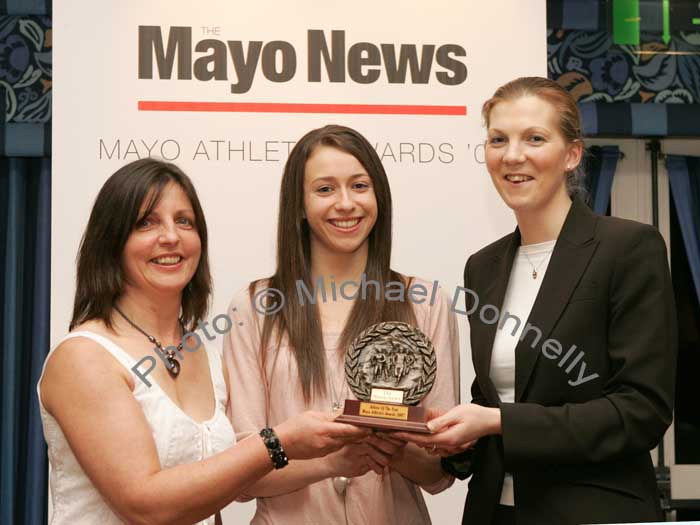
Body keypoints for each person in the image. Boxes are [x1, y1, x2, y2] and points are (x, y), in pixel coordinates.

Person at [395, 77, 677, 525]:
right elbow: (494, 395)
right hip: (494, 512)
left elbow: (640, 411)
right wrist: (452, 437)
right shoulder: (483, 267)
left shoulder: (628, 248)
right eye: (498, 139)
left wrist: (496, 422)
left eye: (535, 139)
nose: (512, 155)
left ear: (572, 154)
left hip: (595, 512)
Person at [38, 158, 369, 525]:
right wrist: (279, 441)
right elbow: (146, 505)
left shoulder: (206, 354)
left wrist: (334, 460)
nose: (171, 237)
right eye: (146, 222)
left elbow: (222, 485)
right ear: (111, 241)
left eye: (185, 221)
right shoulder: (84, 357)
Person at [224, 125, 460, 524]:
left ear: (379, 197)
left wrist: (395, 447)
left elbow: (441, 473)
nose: (346, 203)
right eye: (325, 189)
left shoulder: (425, 302)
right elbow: (242, 475)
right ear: (298, 205)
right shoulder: (255, 308)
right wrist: (332, 461)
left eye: (359, 186)